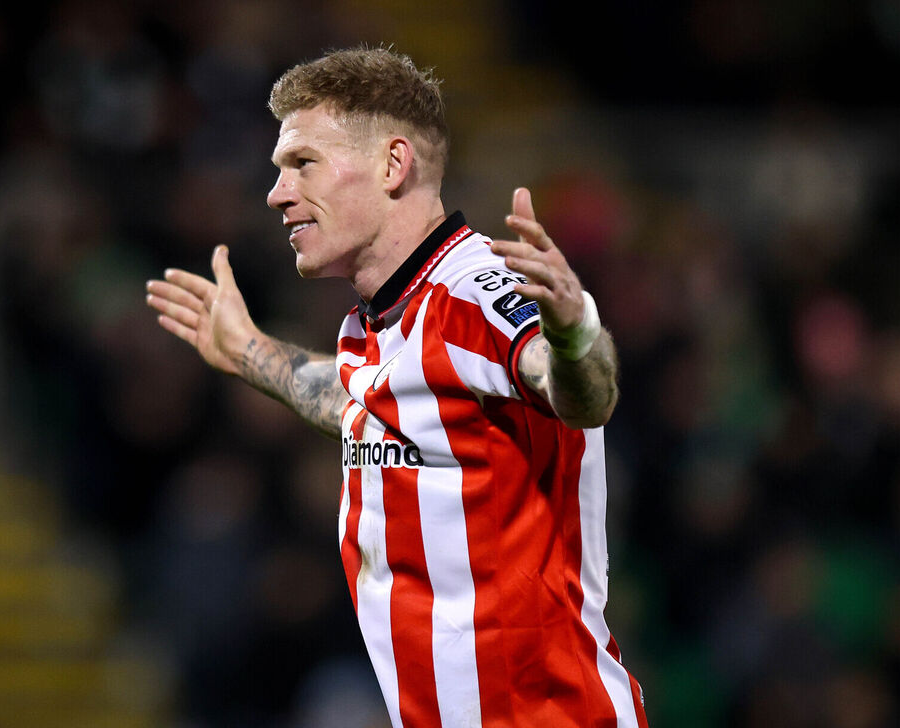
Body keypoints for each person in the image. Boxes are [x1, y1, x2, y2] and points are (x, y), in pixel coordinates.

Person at [145, 46, 647, 728]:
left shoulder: (476, 295)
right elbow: (364, 405)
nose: (277, 193)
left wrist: (573, 333)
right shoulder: (373, 324)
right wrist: (249, 350)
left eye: (303, 163)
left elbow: (582, 395)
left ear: (392, 164)